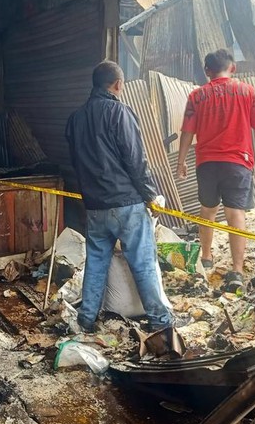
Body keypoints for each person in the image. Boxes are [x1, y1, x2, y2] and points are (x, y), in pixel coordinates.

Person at [65, 60, 175, 333]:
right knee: (143, 262)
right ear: (117, 84)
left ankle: (86, 319)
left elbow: (76, 162)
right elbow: (136, 160)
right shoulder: (119, 112)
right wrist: (151, 195)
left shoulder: (75, 119)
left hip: (95, 206)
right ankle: (160, 321)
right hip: (126, 203)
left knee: (96, 263)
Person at [176, 49, 255, 292]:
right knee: (235, 214)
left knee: (207, 210)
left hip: (207, 162)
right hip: (238, 162)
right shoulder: (246, 91)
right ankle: (237, 270)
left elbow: (187, 130)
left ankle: (206, 258)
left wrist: (181, 160)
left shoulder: (196, 96)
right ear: (233, 67)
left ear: (207, 71)